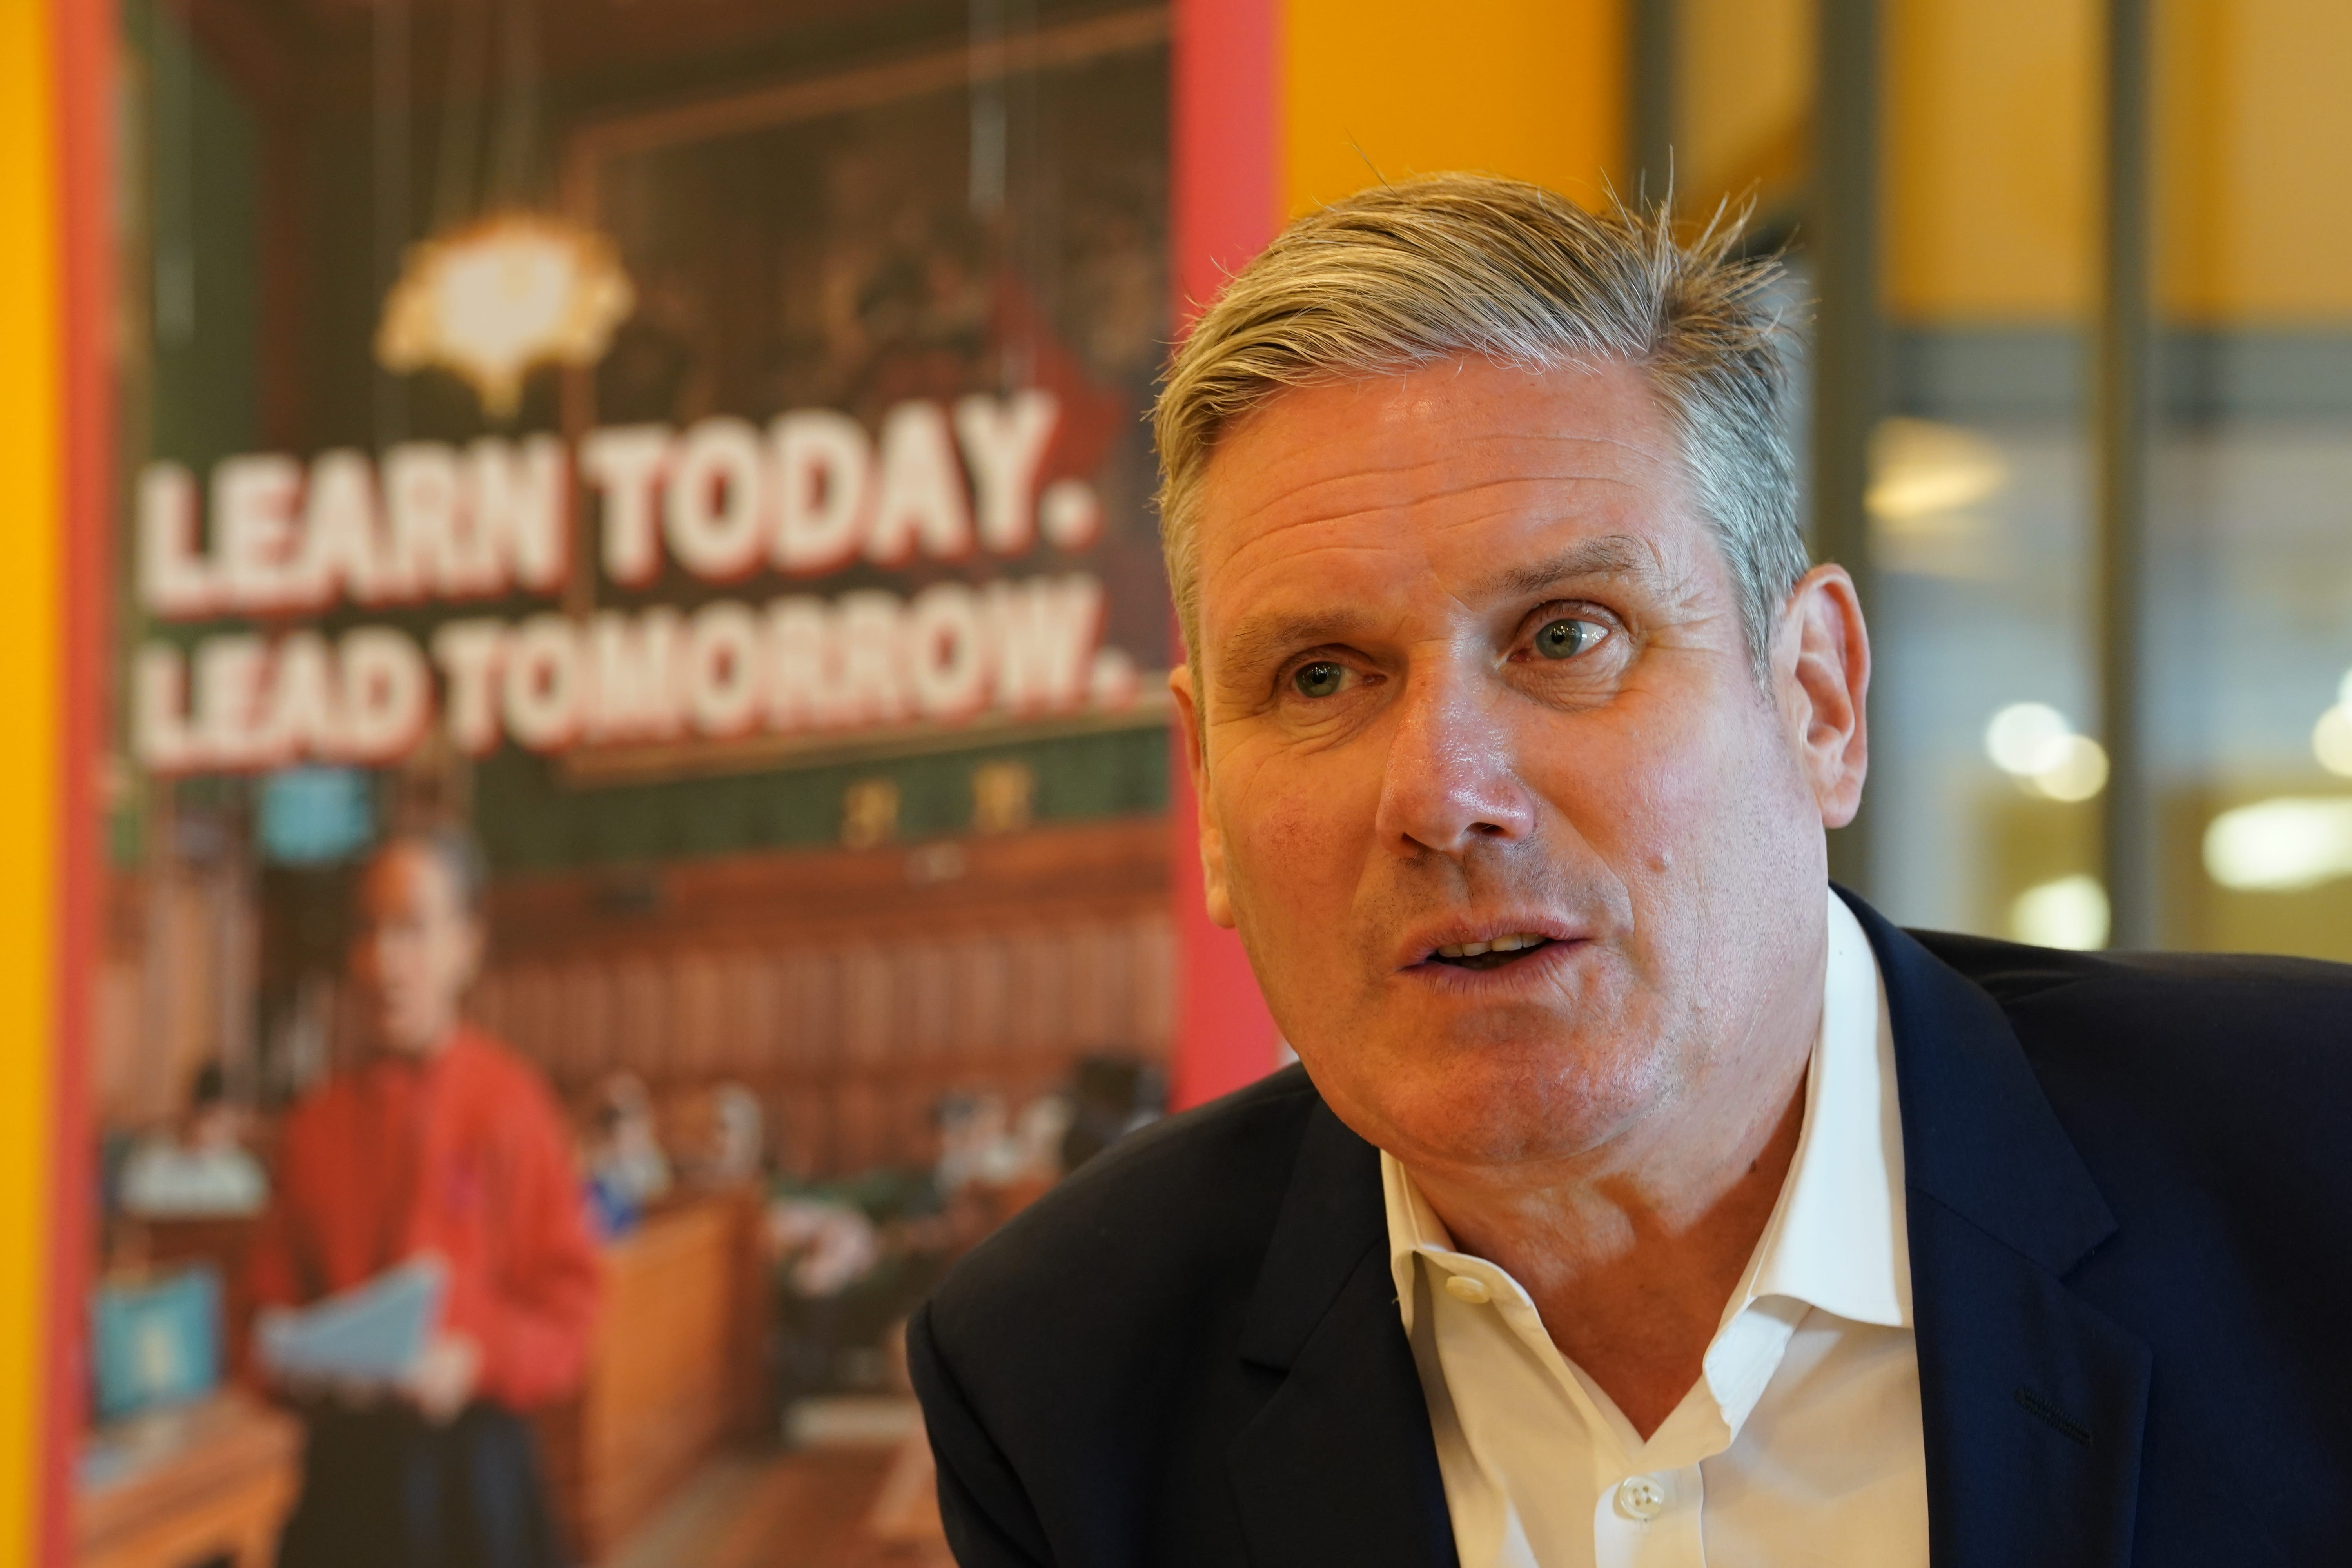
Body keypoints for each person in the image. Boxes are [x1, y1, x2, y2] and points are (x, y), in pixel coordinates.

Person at [908, 174, 2352, 1566]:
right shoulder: (1065, 1374)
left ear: (1816, 701)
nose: (1441, 796)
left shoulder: (2308, 1163)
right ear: (1210, 799)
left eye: (1563, 636)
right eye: (1321, 673)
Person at [248, 829, 600, 1568]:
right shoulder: (313, 1125)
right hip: (345, 1475)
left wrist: (474, 1359)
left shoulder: (511, 1105)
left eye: (411, 928)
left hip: (472, 1477)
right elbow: (266, 1302)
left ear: (465, 946)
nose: (385, 960)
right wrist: (286, 1356)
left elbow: (571, 1313)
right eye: (367, 930)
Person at [118, 1062, 267, 1218]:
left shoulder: (242, 1172)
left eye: (227, 1123)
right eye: (212, 1118)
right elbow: (135, 1223)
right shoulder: (152, 1163)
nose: (218, 1131)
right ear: (192, 1111)